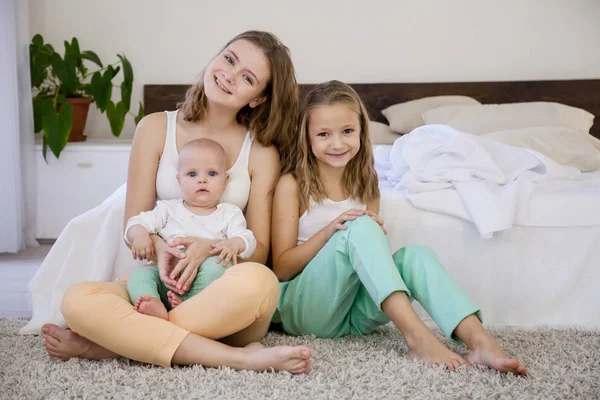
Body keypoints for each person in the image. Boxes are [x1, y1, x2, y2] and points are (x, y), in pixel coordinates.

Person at [38, 30, 311, 374]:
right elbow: (134, 222)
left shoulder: (260, 151)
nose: (229, 75)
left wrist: (208, 249)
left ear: (257, 98)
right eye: (229, 59)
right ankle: (238, 358)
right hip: (160, 282)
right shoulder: (154, 128)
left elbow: (260, 249)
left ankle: (114, 345)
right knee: (77, 300)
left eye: (247, 78)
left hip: (222, 295)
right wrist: (157, 246)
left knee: (261, 282)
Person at [270, 80, 527, 375]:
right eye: (324, 134)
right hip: (306, 311)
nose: (338, 143)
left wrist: (366, 235)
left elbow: (368, 254)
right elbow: (281, 268)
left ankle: (480, 342)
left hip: (351, 315)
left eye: (347, 131)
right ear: (307, 137)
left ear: (362, 132)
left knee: (415, 256)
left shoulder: (366, 183)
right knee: (359, 225)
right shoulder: (292, 186)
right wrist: (331, 230)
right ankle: (418, 338)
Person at [126, 138, 257, 320]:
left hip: (203, 280)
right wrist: (140, 234)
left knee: (217, 267)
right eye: (192, 174)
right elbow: (135, 223)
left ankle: (189, 304)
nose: (202, 180)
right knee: (139, 275)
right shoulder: (167, 209)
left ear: (225, 181)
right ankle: (154, 303)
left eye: (211, 173)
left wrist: (234, 244)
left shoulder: (229, 213)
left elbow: (248, 240)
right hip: (166, 277)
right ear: (180, 181)